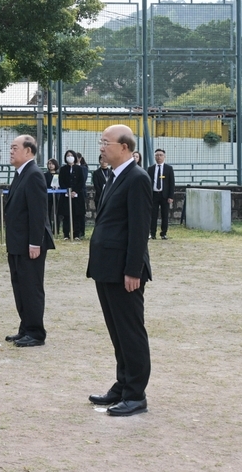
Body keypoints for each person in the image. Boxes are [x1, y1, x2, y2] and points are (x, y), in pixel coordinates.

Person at [87, 125, 152, 416]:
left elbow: (139, 229)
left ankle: (136, 394)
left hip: (124, 270)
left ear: (124, 147)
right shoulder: (114, 176)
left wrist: (133, 270)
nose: (101, 147)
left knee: (130, 332)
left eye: (106, 142)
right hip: (106, 267)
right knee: (117, 332)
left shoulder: (137, 178)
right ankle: (123, 383)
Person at [4, 135, 54, 347]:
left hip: (29, 244)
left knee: (31, 287)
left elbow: (38, 212)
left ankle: (35, 332)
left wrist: (35, 242)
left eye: (15, 148)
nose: (11, 151)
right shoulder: (21, 174)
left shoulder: (33, 174)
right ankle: (25, 327)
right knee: (20, 286)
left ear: (28, 151)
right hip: (17, 242)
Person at [147, 149, 175, 240]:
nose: (158, 157)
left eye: (160, 155)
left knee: (165, 215)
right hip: (154, 195)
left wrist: (171, 196)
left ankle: (163, 233)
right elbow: (148, 183)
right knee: (153, 215)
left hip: (164, 195)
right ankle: (152, 233)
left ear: (164, 156)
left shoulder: (168, 168)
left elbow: (171, 183)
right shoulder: (151, 169)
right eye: (157, 155)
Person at [58, 149, 86, 240]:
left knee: (76, 215)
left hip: (77, 195)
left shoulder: (79, 168)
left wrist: (75, 191)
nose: (70, 157)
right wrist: (67, 191)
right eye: (68, 156)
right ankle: (66, 234)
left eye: (71, 155)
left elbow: (81, 181)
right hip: (66, 195)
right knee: (66, 215)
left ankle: (76, 234)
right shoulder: (63, 169)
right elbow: (61, 181)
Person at [44, 158, 60, 234]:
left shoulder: (59, 174)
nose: (50, 165)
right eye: (49, 164)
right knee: (48, 212)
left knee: (57, 213)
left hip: (57, 195)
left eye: (52, 164)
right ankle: (49, 229)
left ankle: (56, 229)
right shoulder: (45, 175)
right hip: (48, 196)